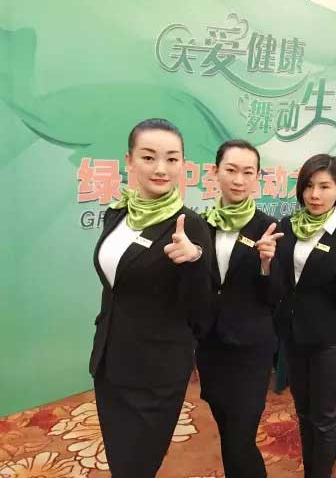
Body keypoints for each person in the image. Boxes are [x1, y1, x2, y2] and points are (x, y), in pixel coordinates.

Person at [90, 118, 213, 477]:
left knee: (136, 466)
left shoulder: (189, 225)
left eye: (172, 159)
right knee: (120, 463)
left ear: (183, 164)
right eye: (149, 157)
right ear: (129, 161)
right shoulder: (117, 214)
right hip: (110, 364)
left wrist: (194, 261)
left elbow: (201, 309)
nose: (161, 168)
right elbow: (116, 286)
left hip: (155, 374)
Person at [196, 140, 284, 478]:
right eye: (231, 170)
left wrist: (266, 264)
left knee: (240, 437)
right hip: (211, 345)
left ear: (257, 177)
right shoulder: (201, 224)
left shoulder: (269, 227)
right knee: (225, 427)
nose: (238, 179)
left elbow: (275, 296)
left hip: (251, 348)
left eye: (248, 172)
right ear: (215, 172)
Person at [275, 154, 336, 478]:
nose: (315, 194)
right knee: (302, 412)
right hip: (293, 335)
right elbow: (282, 283)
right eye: (309, 186)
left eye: (324, 187)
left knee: (324, 418)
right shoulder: (287, 227)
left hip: (328, 341)